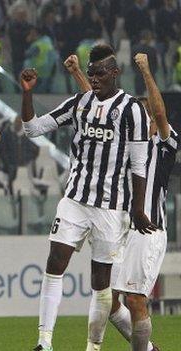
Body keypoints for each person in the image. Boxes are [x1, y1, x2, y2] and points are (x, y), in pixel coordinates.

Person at [20, 44, 155, 351]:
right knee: (55, 262)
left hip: (112, 207)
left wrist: (137, 207)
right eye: (91, 73)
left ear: (115, 73)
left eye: (100, 73)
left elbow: (139, 163)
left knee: (101, 283)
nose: (94, 78)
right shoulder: (79, 102)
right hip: (75, 199)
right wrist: (27, 93)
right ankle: (44, 342)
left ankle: (92, 346)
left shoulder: (132, 108)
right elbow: (32, 128)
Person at [66, 52, 167, 351]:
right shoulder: (122, 141)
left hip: (147, 228)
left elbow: (160, 115)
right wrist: (77, 74)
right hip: (120, 224)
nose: (141, 117)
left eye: (144, 113)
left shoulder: (164, 141)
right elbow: (97, 107)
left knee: (135, 299)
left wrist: (146, 70)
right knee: (106, 298)